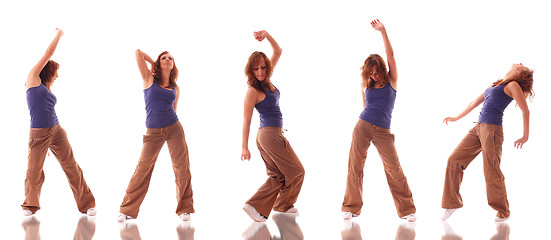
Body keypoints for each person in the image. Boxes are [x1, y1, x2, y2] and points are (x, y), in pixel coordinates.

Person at [341, 19, 416, 222]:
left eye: (376, 72)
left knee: (394, 167)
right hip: (363, 126)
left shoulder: (392, 80)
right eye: (370, 73)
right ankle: (351, 208)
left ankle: (408, 210)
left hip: (383, 131)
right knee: (355, 165)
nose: (374, 76)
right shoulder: (365, 85)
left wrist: (383, 31)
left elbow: (390, 55)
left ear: (382, 70)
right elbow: (365, 107)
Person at [441, 63, 533, 222]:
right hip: (478, 128)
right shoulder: (496, 83)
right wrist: (457, 117)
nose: (519, 63)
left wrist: (525, 136)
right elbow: (474, 102)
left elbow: (525, 111)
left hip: (492, 131)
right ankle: (452, 203)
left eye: (522, 66)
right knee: (454, 160)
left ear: (520, 74)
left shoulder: (513, 85)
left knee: (491, 169)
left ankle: (503, 210)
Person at [22, 28, 96, 216]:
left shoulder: (46, 88)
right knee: (34, 171)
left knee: (71, 165)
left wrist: (50, 140)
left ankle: (87, 204)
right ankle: (30, 205)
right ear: (48, 70)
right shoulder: (32, 79)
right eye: (56, 72)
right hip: (38, 134)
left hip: (56, 130)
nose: (57, 75)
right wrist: (59, 35)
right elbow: (49, 53)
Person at [118, 49, 194, 222]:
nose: (167, 60)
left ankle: (185, 209)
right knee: (142, 169)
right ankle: (127, 209)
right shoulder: (149, 79)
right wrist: (153, 62)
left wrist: (174, 128)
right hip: (153, 131)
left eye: (170, 58)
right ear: (159, 63)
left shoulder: (176, 88)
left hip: (174, 128)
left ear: (173, 64)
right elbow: (137, 53)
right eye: (164, 58)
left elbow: (175, 110)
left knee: (182, 166)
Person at [241, 30, 305, 222]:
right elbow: (246, 120)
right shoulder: (253, 90)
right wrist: (244, 146)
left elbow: (277, 51)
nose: (260, 72)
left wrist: (267, 34)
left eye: (262, 67)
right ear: (250, 71)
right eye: (256, 69)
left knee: (278, 175)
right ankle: (282, 205)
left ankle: (255, 206)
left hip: (270, 135)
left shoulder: (267, 80)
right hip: (269, 135)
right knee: (297, 171)